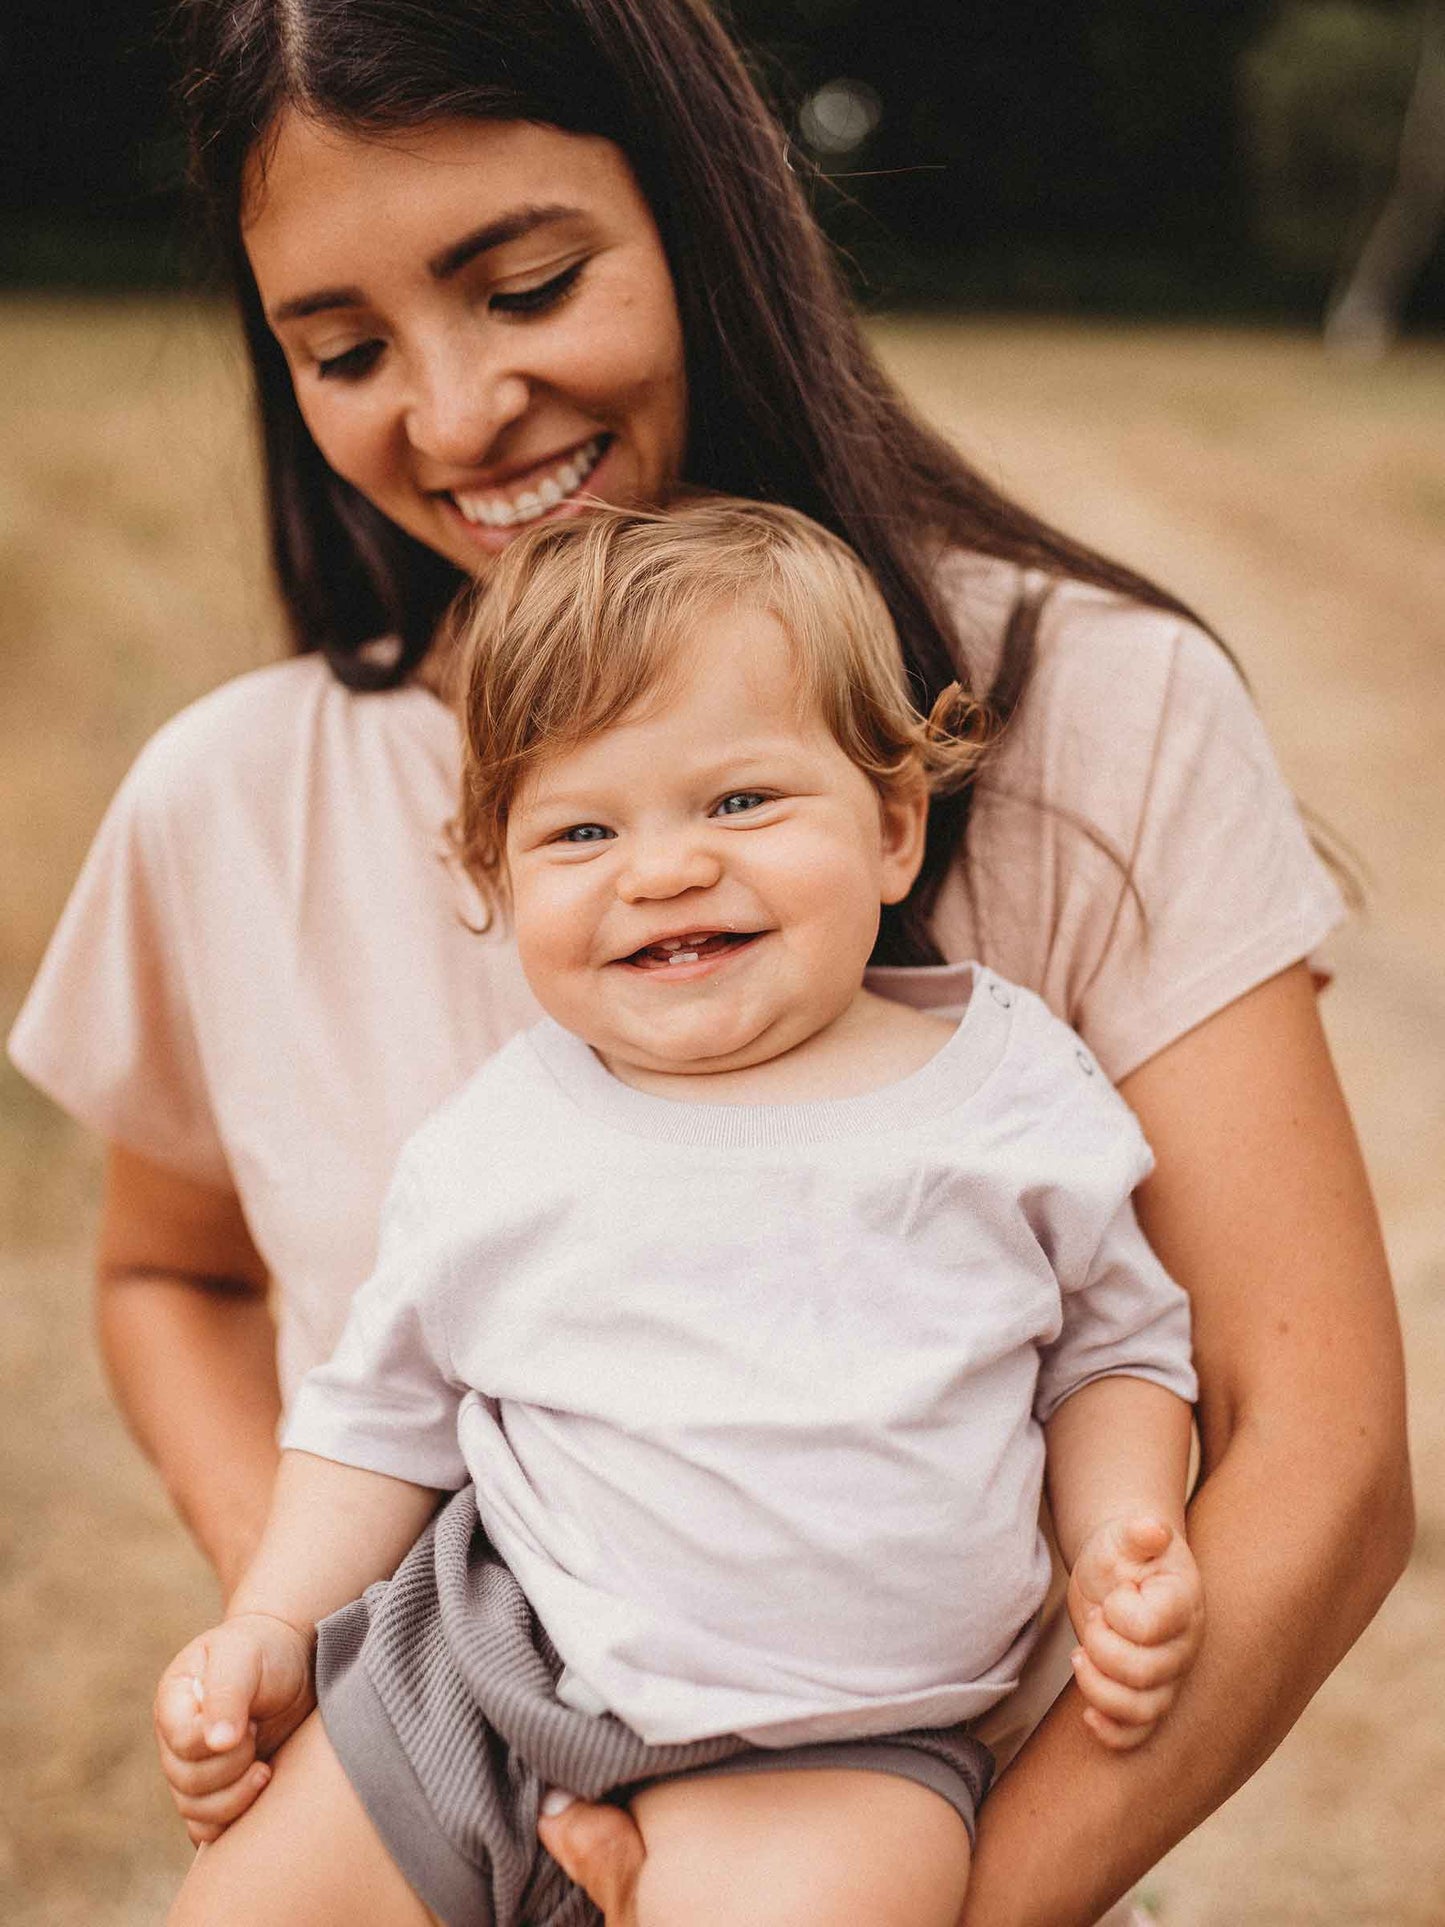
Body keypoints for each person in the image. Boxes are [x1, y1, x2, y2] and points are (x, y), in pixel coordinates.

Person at [5, 2, 1409, 1923]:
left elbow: (1315, 1458)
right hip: (439, 1725)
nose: (452, 416)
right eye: (343, 350)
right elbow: (171, 1271)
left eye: (526, 286)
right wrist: (317, 1641)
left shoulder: (1102, 710)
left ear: (701, 216)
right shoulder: (226, 798)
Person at [155, 498, 1206, 1927]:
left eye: (740, 803)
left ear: (894, 827)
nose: (663, 870)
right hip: (475, 1672)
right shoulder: (502, 1135)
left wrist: (1123, 1536)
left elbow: (1113, 1350)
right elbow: (379, 1417)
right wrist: (274, 1623)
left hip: (828, 1747)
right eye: (581, 830)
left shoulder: (1005, 1090)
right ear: (497, 879)